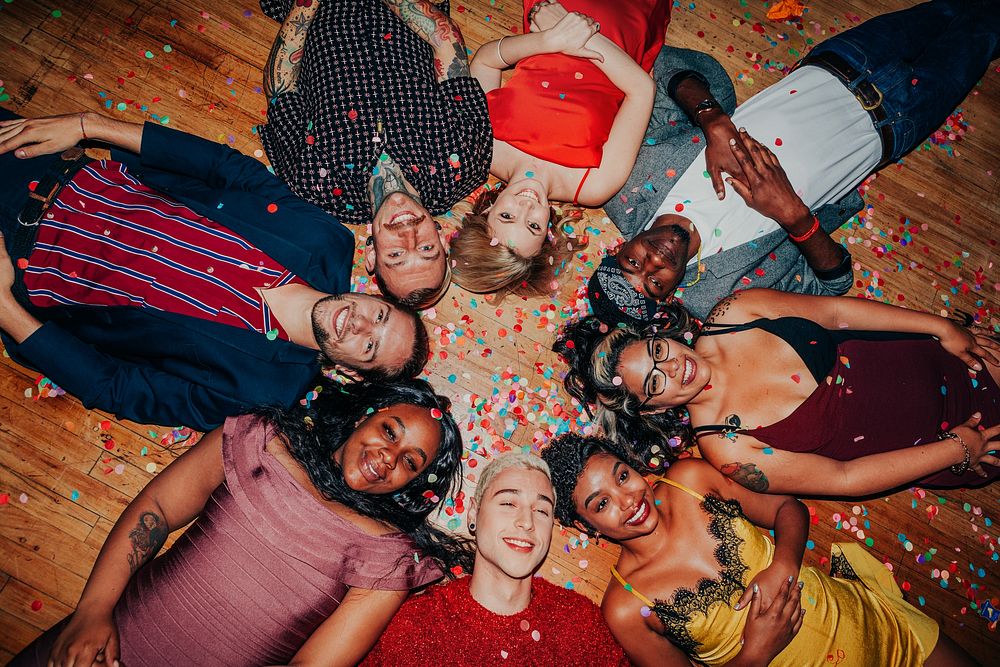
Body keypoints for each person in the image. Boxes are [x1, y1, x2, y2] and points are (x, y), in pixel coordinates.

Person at [0, 110, 429, 431]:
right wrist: (87, 125)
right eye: (379, 316)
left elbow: (118, 387)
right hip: (48, 165)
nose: (359, 324)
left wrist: (5, 309)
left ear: (350, 371)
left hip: (19, 266)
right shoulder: (325, 240)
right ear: (375, 298)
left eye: (370, 346)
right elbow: (229, 168)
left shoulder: (256, 393)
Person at [588, 0, 999, 324]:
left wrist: (712, 118)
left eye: (633, 263)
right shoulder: (719, 294)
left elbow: (662, 69)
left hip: (843, 61)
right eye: (655, 284)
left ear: (619, 247)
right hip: (901, 122)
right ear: (673, 291)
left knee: (950, 7)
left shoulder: (630, 181)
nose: (655, 262)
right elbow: (833, 286)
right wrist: (796, 218)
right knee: (987, 30)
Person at [11, 379, 470, 667]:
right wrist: (92, 611)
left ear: (410, 484)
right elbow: (157, 508)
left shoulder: (387, 559)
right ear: (364, 417)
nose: (387, 457)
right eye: (390, 431)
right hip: (98, 642)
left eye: (409, 462)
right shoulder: (260, 440)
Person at [540, 433, 978, 666]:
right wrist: (754, 654)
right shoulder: (624, 607)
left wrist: (784, 562)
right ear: (585, 526)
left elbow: (788, 508)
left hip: (877, 626)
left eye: (621, 476)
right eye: (601, 505)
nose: (627, 499)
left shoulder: (689, 479)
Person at [556, 289, 1000, 497]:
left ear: (662, 334)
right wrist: (957, 450)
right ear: (651, 407)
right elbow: (845, 480)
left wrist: (941, 327)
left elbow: (836, 311)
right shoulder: (725, 447)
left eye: (657, 350)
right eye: (655, 381)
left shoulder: (735, 312)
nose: (673, 365)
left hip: (951, 358)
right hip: (961, 439)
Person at [259, 0, 493, 308]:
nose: (408, 235)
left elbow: (282, 86)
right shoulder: (465, 164)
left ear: (371, 255)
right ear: (441, 240)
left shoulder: (313, 184)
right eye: (426, 249)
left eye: (395, 255)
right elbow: (447, 46)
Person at [448, 0, 664, 296]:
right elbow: (641, 90)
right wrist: (579, 33)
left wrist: (550, 39)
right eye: (534, 226)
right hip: (619, 27)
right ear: (548, 233)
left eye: (507, 216)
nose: (525, 206)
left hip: (552, 14)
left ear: (488, 209)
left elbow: (485, 61)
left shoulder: (486, 149)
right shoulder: (592, 186)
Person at [362, 452, 629, 665]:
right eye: (508, 503)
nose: (526, 522)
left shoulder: (581, 623)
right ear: (473, 515)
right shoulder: (414, 627)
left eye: (542, 510)